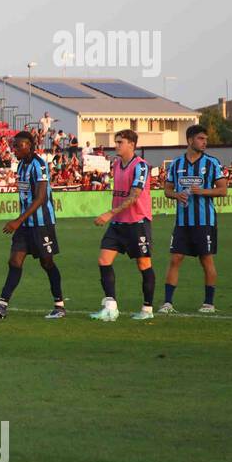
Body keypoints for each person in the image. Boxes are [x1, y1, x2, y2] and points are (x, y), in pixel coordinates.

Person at [0, 131, 66, 320]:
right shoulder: (22, 165)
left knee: (47, 262)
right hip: (26, 224)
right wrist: (22, 221)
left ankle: (59, 305)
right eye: (13, 146)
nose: (14, 149)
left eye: (18, 146)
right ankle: (1, 306)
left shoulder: (39, 165)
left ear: (29, 146)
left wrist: (18, 220)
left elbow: (41, 197)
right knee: (14, 261)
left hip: (42, 223)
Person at [160, 125, 227, 313]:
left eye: (205, 139)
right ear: (190, 140)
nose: (204, 142)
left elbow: (223, 190)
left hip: (205, 221)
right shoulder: (176, 164)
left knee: (206, 260)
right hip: (182, 222)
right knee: (175, 259)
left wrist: (203, 191)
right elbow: (167, 190)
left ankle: (209, 303)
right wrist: (176, 195)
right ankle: (167, 303)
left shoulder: (212, 163)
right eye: (200, 138)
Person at [90, 129, 155, 322]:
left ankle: (147, 308)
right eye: (116, 141)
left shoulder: (141, 166)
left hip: (137, 223)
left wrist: (109, 213)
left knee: (143, 264)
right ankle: (110, 307)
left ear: (131, 145)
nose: (116, 145)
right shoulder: (117, 165)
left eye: (120, 142)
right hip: (118, 224)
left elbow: (134, 196)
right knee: (104, 260)